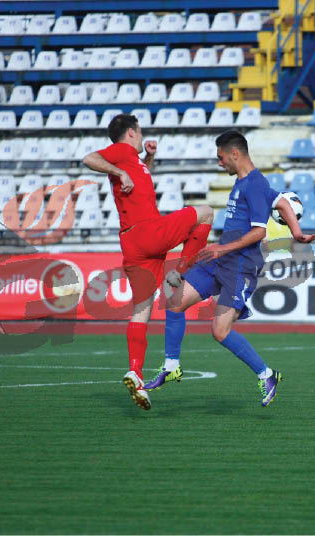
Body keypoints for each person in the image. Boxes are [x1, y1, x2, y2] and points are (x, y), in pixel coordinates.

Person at [144, 131, 315, 407]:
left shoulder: (254, 184)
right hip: (221, 259)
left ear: (234, 154)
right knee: (175, 302)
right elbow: (283, 202)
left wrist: (221, 248)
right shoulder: (247, 182)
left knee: (219, 331)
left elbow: (259, 233)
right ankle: (171, 366)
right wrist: (296, 232)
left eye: (221, 157)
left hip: (240, 265)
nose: (219, 163)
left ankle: (267, 375)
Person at [82, 114, 213, 411]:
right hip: (148, 231)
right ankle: (180, 272)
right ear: (131, 133)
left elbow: (136, 182)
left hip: (134, 245)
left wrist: (149, 159)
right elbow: (88, 158)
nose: (142, 139)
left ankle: (135, 374)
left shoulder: (134, 161)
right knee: (205, 212)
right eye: (140, 134)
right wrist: (120, 171)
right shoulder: (121, 152)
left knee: (141, 311)